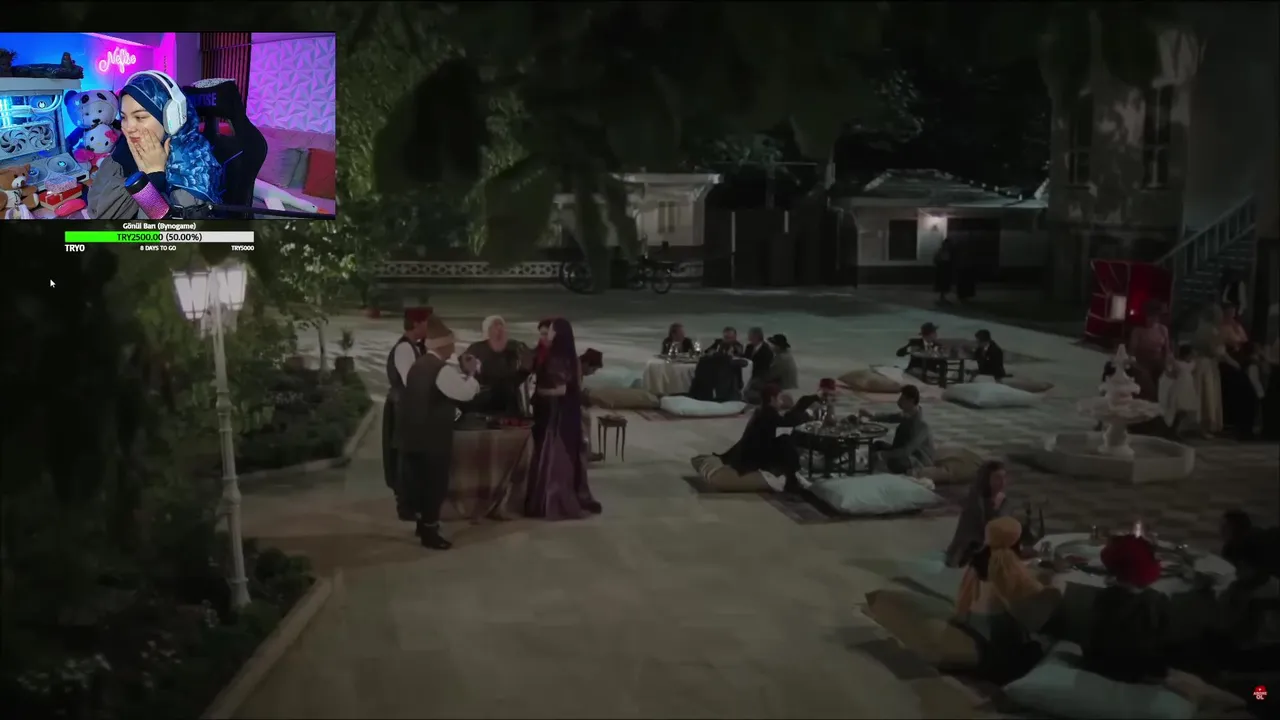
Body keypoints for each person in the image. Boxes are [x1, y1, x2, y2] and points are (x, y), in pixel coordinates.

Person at [88, 70, 223, 220]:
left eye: (140, 117)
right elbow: (96, 209)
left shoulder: (193, 169)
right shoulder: (125, 148)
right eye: (124, 117)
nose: (128, 127)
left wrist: (154, 178)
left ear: (171, 118)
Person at [397, 315, 481, 550]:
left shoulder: (419, 365)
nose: (454, 347)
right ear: (443, 345)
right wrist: (472, 373)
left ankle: (422, 524)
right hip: (432, 438)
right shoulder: (440, 370)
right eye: (452, 343)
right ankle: (430, 532)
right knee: (434, 485)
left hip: (413, 435)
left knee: (419, 484)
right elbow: (465, 393)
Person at [525, 318, 602, 520]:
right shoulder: (570, 356)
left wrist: (541, 392)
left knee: (556, 458)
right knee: (564, 456)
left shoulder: (557, 357)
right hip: (568, 411)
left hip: (559, 412)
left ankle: (555, 502)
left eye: (550, 331)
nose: (548, 334)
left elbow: (561, 389)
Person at [1082, 534, 1173, 684]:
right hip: (1142, 674)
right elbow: (1164, 646)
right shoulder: (1158, 601)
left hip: (1101, 668)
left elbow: (1090, 642)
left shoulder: (1103, 598)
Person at [716, 384, 819, 494]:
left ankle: (793, 479)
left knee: (786, 440)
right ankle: (792, 482)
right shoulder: (768, 414)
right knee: (787, 446)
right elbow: (785, 424)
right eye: (779, 399)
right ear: (772, 399)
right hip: (753, 458)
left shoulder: (762, 411)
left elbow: (783, 423)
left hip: (748, 453)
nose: (781, 402)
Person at [383, 307, 432, 520]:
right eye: (427, 322)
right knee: (406, 457)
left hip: (410, 407)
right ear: (417, 324)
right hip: (404, 409)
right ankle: (406, 506)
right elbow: (412, 381)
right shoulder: (404, 349)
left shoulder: (415, 347)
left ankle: (412, 502)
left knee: (412, 457)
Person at [945, 461, 1010, 568]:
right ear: (987, 479)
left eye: (1004, 477)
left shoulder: (1003, 500)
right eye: (997, 478)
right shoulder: (976, 500)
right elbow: (980, 531)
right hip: (970, 550)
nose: (1002, 482)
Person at [858, 385, 935, 475]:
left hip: (917, 458)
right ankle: (871, 469)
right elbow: (890, 417)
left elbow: (907, 450)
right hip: (902, 451)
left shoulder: (922, 425)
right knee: (877, 445)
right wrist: (870, 416)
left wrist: (884, 454)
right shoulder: (908, 414)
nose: (899, 402)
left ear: (911, 401)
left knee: (895, 463)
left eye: (902, 399)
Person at [464, 315, 534, 416]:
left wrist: (523, 373)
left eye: (501, 325)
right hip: (484, 398)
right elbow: (464, 369)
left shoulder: (516, 346)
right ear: (487, 330)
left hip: (509, 397)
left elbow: (529, 366)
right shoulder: (476, 348)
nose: (499, 328)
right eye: (495, 325)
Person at [1192, 304, 1228, 435]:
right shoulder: (1212, 331)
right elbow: (1215, 350)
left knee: (1201, 394)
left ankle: (1199, 425)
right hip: (1208, 364)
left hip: (1198, 363)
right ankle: (1205, 426)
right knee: (1207, 395)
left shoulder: (1200, 328)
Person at [1128, 301, 1172, 401]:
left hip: (1158, 364)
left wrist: (1169, 365)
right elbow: (1132, 353)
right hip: (1141, 365)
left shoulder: (1163, 330)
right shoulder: (1138, 331)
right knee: (1147, 383)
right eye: (1151, 316)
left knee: (1167, 381)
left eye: (1156, 317)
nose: (1154, 319)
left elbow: (1167, 351)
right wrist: (1137, 367)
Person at [1159, 343, 1200, 438]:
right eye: (1190, 355)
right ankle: (1171, 430)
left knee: (1185, 409)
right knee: (1176, 408)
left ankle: (1176, 429)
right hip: (1179, 387)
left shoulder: (1192, 364)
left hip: (1188, 387)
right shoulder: (1177, 363)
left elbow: (1194, 370)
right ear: (1185, 355)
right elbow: (1171, 374)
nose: (1191, 357)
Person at [579, 349, 605, 463]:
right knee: (584, 417)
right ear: (586, 363)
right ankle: (586, 452)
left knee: (585, 415)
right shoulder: (575, 370)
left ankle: (586, 450)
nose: (592, 373)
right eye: (593, 369)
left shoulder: (577, 369)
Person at [742, 327, 775, 403]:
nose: (748, 337)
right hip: (748, 373)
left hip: (760, 376)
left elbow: (765, 367)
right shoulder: (749, 347)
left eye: (750, 335)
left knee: (749, 389)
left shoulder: (767, 350)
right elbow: (745, 359)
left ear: (756, 336)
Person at [934, 237, 955, 304]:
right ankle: (942, 297)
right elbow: (936, 259)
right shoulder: (941, 251)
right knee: (942, 283)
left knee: (945, 284)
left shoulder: (949, 252)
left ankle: (943, 297)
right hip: (942, 269)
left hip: (946, 269)